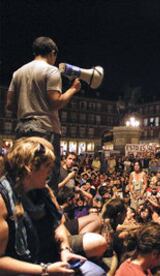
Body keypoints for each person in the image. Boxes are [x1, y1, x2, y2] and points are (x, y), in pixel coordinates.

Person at [0, 137, 104, 275]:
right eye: (47, 167)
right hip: (28, 267)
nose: (50, 172)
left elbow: (59, 225)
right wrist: (44, 270)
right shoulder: (3, 200)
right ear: (30, 168)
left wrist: (65, 250)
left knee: (97, 272)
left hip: (50, 256)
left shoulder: (43, 191)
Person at [6, 37, 81, 194]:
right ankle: (46, 216)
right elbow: (56, 102)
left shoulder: (18, 73)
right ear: (53, 53)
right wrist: (73, 89)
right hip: (45, 129)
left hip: (22, 129)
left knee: (23, 174)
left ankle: (23, 214)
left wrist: (27, 107)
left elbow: (10, 105)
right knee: (46, 178)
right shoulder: (50, 70)